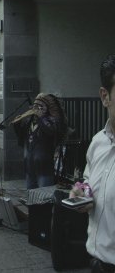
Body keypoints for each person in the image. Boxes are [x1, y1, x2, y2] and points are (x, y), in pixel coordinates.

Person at [70, 54, 115, 272]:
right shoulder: (97, 142)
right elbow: (88, 181)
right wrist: (81, 192)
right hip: (95, 262)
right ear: (105, 96)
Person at [13, 93, 67, 190]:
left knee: (44, 195)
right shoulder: (29, 120)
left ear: (45, 108)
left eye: (39, 106)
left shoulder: (51, 120)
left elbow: (51, 131)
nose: (35, 108)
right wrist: (16, 125)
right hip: (30, 165)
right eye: (34, 106)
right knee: (30, 193)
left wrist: (41, 118)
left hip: (44, 167)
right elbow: (22, 136)